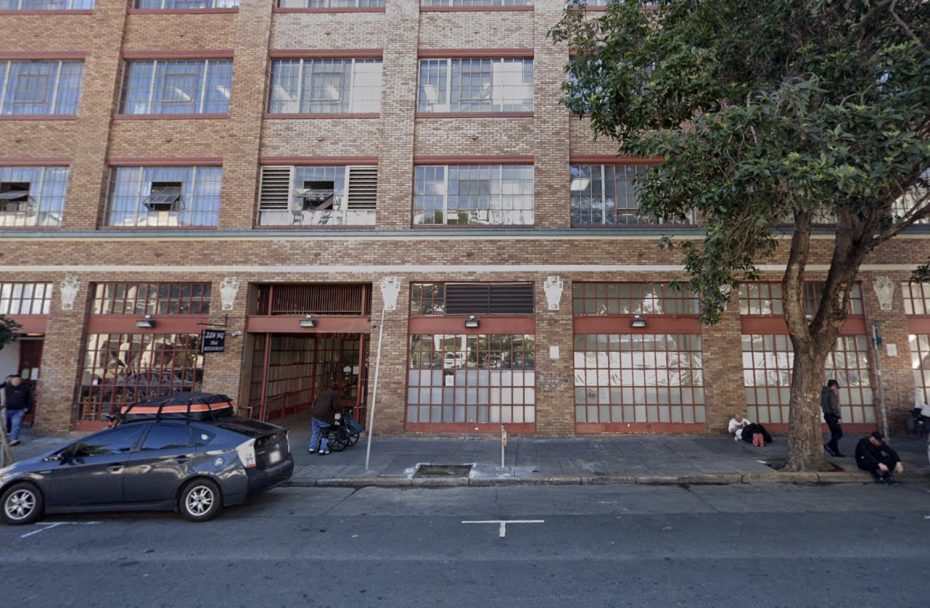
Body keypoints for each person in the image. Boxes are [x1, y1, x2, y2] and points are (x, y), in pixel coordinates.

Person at [309, 378, 343, 456]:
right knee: (325, 433)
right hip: (324, 417)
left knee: (315, 432)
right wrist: (340, 409)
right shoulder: (334, 394)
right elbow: (335, 406)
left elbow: (316, 402)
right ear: (336, 389)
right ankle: (323, 449)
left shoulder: (322, 393)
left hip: (315, 414)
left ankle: (312, 448)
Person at [1, 375, 34, 447]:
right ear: (11, 381)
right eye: (14, 380)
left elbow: (29, 399)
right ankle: (2, 439)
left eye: (18, 380)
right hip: (5, 410)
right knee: (3, 425)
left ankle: (13, 439)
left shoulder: (25, 389)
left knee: (16, 425)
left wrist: (27, 407)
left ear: (20, 381)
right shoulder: (5, 388)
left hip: (18, 410)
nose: (16, 382)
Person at [821, 379, 844, 457]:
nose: (837, 389)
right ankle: (828, 445)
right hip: (832, 415)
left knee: (834, 434)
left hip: (826, 415)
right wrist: (838, 416)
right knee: (839, 434)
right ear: (833, 386)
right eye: (836, 387)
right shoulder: (831, 394)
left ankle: (835, 451)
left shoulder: (823, 393)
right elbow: (833, 406)